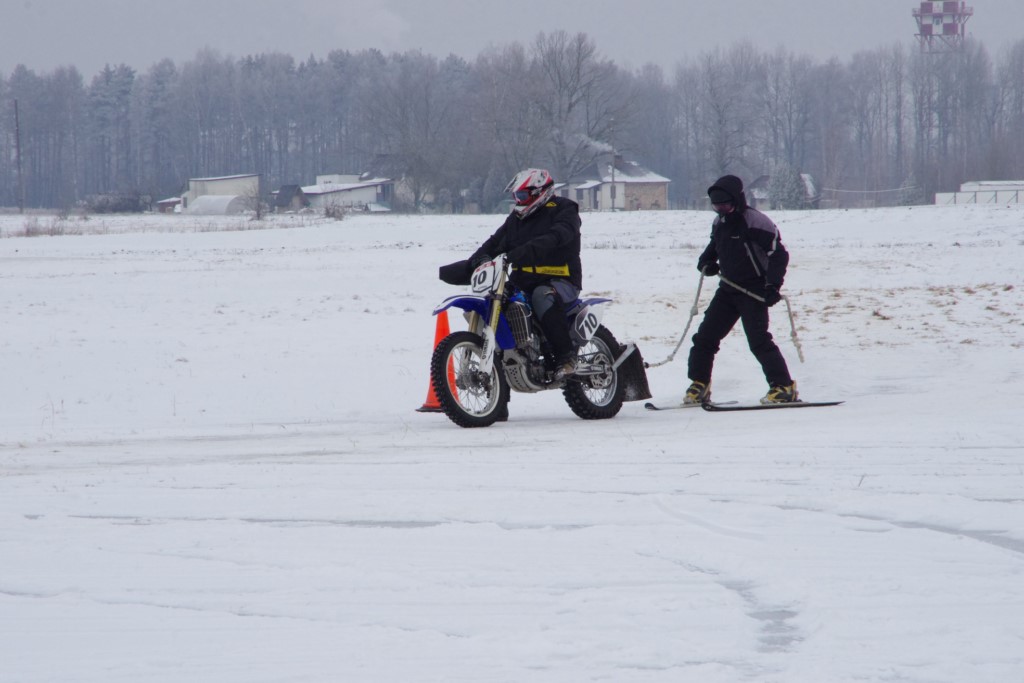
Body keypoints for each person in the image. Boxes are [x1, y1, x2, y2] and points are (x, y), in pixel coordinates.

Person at [683, 174, 798, 405]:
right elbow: (714, 246)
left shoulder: (756, 222)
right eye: (716, 206)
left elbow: (778, 255)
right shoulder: (719, 223)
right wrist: (706, 263)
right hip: (728, 289)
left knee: (759, 341)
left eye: (725, 205)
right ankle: (700, 384)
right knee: (704, 338)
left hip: (754, 291)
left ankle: (784, 387)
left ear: (737, 200)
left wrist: (772, 286)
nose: (721, 210)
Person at [469, 168, 583, 381]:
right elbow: (494, 243)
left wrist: (524, 251)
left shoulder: (564, 209)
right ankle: (511, 358)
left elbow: (558, 235)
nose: (518, 201)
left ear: (540, 192)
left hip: (561, 279)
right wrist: (473, 262)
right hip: (523, 280)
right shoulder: (516, 219)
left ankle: (567, 358)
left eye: (522, 195)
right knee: (497, 299)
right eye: (516, 196)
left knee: (542, 296)